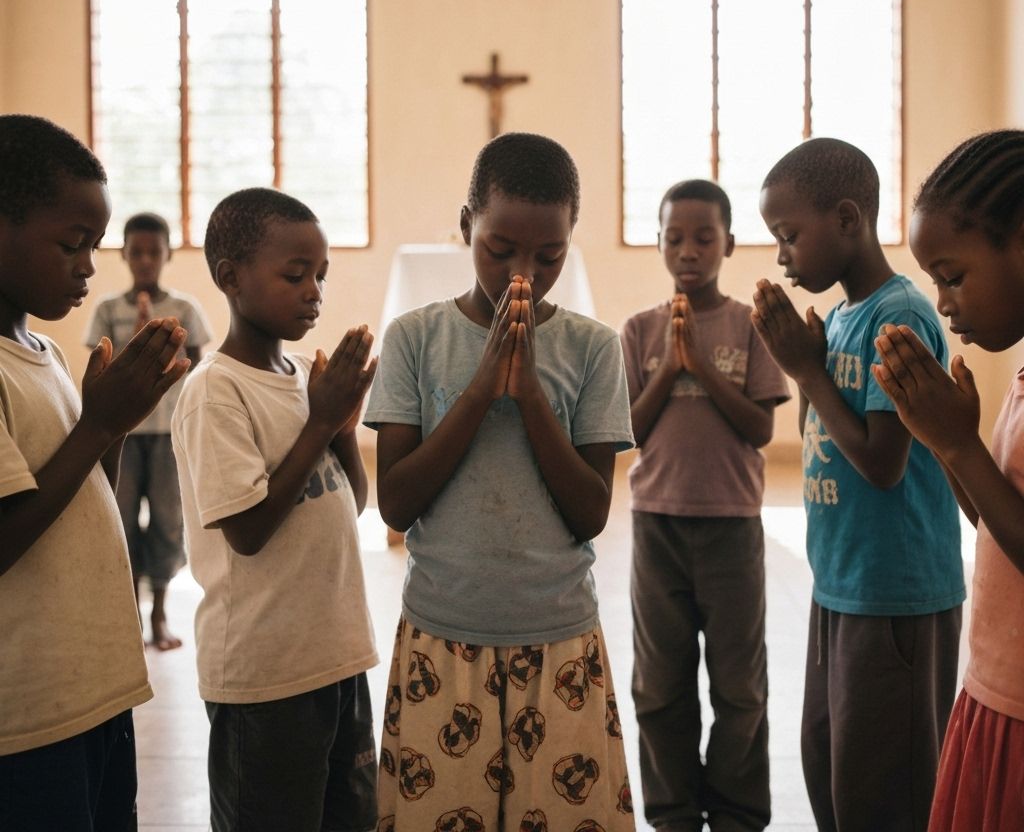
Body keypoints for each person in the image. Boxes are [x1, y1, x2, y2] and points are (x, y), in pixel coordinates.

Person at [365, 132, 636, 830]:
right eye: (500, 250)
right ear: (466, 228)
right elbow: (396, 502)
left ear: (571, 239)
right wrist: (482, 387)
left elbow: (590, 512)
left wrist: (532, 396)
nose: (525, 272)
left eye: (550, 256)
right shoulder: (414, 339)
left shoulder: (592, 348)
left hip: (559, 642)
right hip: (442, 639)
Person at [752, 137, 965, 832]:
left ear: (848, 219)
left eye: (789, 235)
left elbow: (882, 462)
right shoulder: (840, 318)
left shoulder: (897, 316)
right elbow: (828, 438)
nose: (782, 256)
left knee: (885, 792)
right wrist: (807, 365)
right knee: (832, 769)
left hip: (894, 594)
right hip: (841, 583)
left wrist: (805, 371)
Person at [0, 114, 191, 831]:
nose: (88, 266)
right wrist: (101, 424)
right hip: (26, 719)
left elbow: (84, 501)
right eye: (72, 244)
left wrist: (110, 422)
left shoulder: (44, 356)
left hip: (96, 694)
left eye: (94, 247)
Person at [171, 187, 379, 832]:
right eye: (295, 275)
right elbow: (249, 530)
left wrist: (341, 425)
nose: (314, 291)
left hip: (337, 656)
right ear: (231, 278)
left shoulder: (298, 375)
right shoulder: (216, 391)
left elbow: (355, 503)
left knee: (347, 818)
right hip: (264, 678)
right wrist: (320, 422)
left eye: (320, 275)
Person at [621, 179, 790, 832]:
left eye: (703, 237)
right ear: (659, 242)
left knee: (739, 688)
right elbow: (630, 431)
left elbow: (760, 429)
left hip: (731, 527)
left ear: (728, 243)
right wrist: (671, 367)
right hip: (657, 524)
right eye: (673, 238)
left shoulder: (750, 326)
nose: (687, 251)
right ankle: (672, 815)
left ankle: (738, 813)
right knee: (659, 687)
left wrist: (704, 367)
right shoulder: (639, 331)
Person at [872, 129, 1024, 831]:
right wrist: (942, 440)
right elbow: (997, 523)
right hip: (995, 688)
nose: (943, 303)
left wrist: (961, 445)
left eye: (953, 276)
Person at [85, 211, 212, 650]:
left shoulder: (183, 309)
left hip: (166, 434)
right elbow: (98, 374)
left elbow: (193, 370)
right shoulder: (107, 310)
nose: (144, 261)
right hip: (121, 434)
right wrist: (133, 348)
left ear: (167, 254)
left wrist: (160, 349)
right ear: (123, 254)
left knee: (167, 519)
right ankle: (131, 613)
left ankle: (159, 612)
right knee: (119, 519)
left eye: (153, 252)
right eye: (136, 252)